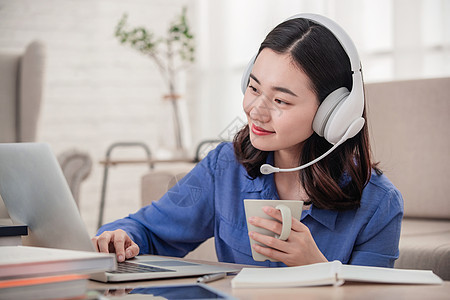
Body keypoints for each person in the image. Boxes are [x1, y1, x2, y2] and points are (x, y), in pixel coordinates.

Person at [93, 14, 403, 268]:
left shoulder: (379, 204)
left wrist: (317, 267)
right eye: (254, 88)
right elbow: (149, 229)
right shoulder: (225, 166)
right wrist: (121, 236)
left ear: (333, 113)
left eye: (281, 100)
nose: (256, 111)